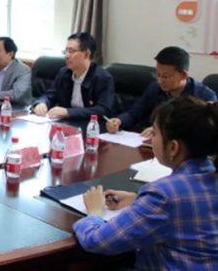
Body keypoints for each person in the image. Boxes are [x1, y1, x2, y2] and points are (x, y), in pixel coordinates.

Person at [74, 96, 218, 270]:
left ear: (173, 147)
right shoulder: (210, 174)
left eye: (154, 133)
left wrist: (94, 212)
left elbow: (97, 241)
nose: (150, 139)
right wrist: (137, 199)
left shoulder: (165, 194)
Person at [107, 47, 216, 135]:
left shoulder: (204, 96)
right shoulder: (155, 88)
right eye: (158, 74)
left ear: (183, 75)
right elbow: (136, 112)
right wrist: (119, 121)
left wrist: (161, 130)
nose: (160, 80)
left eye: (166, 76)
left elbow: (205, 132)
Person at [33, 32, 114, 120]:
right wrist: (42, 103)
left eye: (71, 51)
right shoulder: (64, 73)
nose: (66, 56)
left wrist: (69, 112)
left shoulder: (102, 78)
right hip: (67, 123)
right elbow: (51, 94)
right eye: (66, 51)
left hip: (91, 125)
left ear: (87, 54)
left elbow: (103, 109)